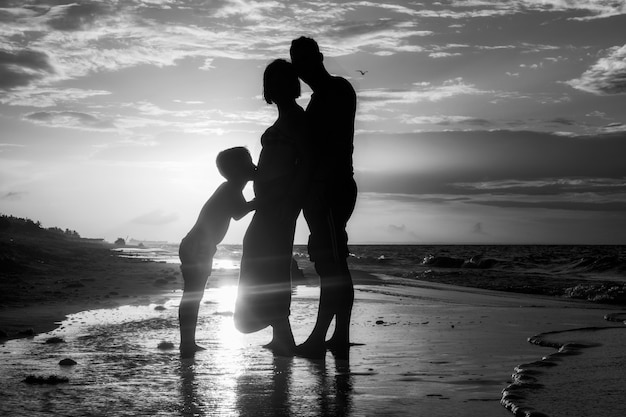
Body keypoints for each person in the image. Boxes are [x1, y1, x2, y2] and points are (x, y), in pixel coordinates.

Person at [234, 59, 312, 356]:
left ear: (291, 85)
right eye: (271, 82)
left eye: (282, 81)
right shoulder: (283, 120)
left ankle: (284, 336)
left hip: (280, 201)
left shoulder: (297, 118)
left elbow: (304, 164)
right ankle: (281, 333)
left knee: (272, 264)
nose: (275, 87)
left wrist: (291, 202)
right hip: (267, 202)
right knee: (260, 259)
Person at [290, 36, 358, 358]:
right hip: (322, 190)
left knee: (333, 266)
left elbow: (328, 147)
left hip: (330, 188)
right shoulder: (319, 99)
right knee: (330, 263)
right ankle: (338, 335)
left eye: (304, 60)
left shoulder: (337, 91)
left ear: (318, 57)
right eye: (296, 63)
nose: (301, 69)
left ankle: (321, 336)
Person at [178, 147, 256, 358]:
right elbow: (239, 213)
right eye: (248, 162)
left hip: (199, 246)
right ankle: (186, 343)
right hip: (197, 246)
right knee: (193, 294)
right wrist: (259, 201)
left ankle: (188, 342)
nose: (253, 165)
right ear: (237, 169)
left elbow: (238, 211)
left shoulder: (231, 188)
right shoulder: (229, 189)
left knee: (194, 294)